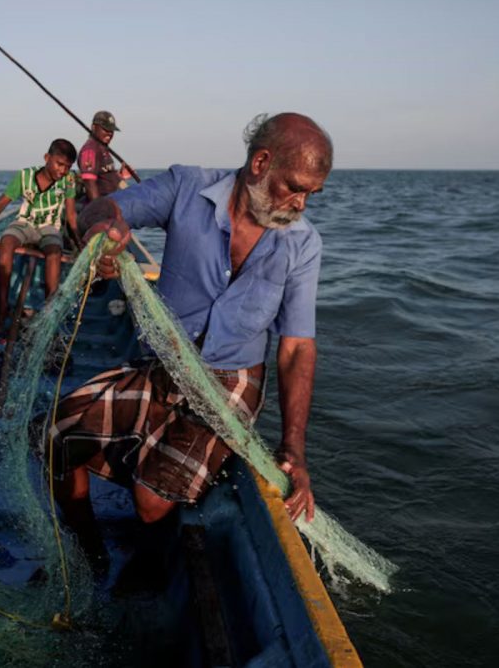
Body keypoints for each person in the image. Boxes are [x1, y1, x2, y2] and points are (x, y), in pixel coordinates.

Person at [48, 113, 331, 565]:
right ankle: (90, 556)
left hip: (232, 380)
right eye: (294, 187)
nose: (300, 204)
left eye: (311, 195)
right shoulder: (187, 187)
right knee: (56, 437)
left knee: (151, 500)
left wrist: (294, 447)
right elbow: (104, 209)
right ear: (260, 163)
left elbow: (296, 346)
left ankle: (153, 557)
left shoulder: (303, 244)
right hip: (163, 362)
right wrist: (103, 232)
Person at [0, 138, 78, 335]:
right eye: (59, 164)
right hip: (24, 223)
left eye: (67, 167)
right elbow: (2, 203)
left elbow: (70, 215)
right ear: (47, 158)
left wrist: (79, 242)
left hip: (49, 227)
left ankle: (49, 319)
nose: (62, 171)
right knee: (6, 243)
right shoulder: (24, 176)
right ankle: (1, 313)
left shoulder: (68, 181)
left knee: (54, 253)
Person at [77, 110, 135, 206]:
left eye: (111, 131)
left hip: (114, 203)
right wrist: (100, 211)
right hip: (103, 209)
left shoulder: (103, 148)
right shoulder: (90, 150)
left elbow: (105, 176)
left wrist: (121, 176)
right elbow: (90, 184)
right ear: (94, 127)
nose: (109, 134)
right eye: (105, 129)